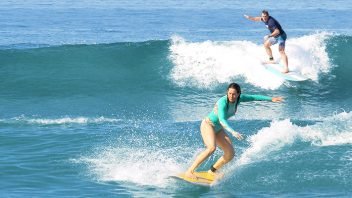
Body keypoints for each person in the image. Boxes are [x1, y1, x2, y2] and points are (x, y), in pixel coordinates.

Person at [185, 83, 283, 179]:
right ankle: (190, 171)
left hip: (218, 128)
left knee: (230, 153)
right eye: (229, 93)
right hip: (208, 125)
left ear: (238, 94)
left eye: (234, 94)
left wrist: (271, 99)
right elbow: (222, 120)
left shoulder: (239, 99)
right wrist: (232, 131)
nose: (231, 96)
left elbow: (253, 97)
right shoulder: (222, 102)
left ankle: (211, 171)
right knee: (211, 148)